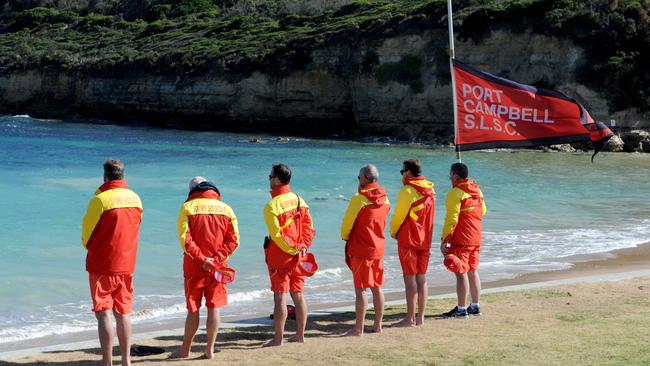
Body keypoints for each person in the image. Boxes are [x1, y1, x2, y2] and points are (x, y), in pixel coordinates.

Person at [82, 159, 143, 366]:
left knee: (103, 314)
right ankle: (126, 361)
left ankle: (107, 361)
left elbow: (86, 236)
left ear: (105, 176)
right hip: (127, 263)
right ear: (123, 175)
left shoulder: (100, 200)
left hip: (103, 264)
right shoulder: (136, 198)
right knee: (123, 313)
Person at [172, 177, 240, 359]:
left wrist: (203, 260)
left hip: (194, 266)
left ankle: (185, 349)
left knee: (193, 310)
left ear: (192, 191)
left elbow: (185, 240)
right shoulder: (226, 209)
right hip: (218, 268)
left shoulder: (187, 207)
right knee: (214, 308)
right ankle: (209, 349)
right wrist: (216, 260)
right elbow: (234, 241)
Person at [263, 163, 316, 346]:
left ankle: (278, 339)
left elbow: (277, 236)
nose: (269, 179)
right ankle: (300, 335)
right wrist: (303, 246)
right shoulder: (300, 200)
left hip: (281, 258)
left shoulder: (271, 206)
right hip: (299, 256)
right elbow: (310, 228)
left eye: (270, 176)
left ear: (277, 179)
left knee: (280, 298)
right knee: (299, 295)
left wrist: (294, 248)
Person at [341, 164, 390, 336]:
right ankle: (378, 325)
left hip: (362, 248)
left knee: (361, 288)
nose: (358, 179)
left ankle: (358, 328)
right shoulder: (386, 198)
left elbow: (347, 224)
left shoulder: (359, 199)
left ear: (364, 179)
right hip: (378, 247)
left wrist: (346, 238)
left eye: (359, 177)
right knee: (377, 287)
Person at [389, 159, 435, 327]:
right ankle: (420, 317)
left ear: (408, 172)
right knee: (422, 278)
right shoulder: (430, 189)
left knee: (409, 279)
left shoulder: (408, 191)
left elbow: (398, 216)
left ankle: (409, 318)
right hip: (426, 240)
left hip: (409, 239)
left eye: (402, 172)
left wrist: (393, 232)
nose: (402, 175)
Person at [440, 162, 487, 318]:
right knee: (473, 271)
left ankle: (461, 309)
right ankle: (475, 306)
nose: (449, 177)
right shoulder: (477, 190)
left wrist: (445, 240)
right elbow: (483, 211)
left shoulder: (455, 193)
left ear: (454, 175)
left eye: (450, 174)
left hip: (462, 239)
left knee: (461, 273)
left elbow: (452, 219)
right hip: (476, 237)